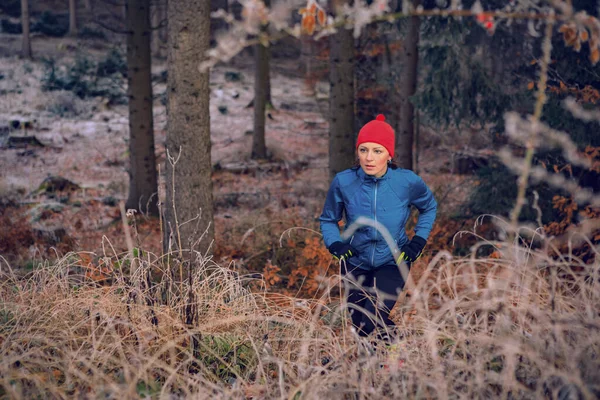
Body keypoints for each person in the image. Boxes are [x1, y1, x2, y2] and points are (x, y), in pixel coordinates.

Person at [320, 114, 437, 339]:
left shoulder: (406, 182)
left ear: (389, 155)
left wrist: (418, 242)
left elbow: (429, 208)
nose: (369, 158)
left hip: (393, 261)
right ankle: (379, 364)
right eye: (363, 150)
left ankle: (389, 359)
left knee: (373, 316)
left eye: (377, 151)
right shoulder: (344, 181)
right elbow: (328, 219)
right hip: (355, 261)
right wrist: (335, 244)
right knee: (359, 326)